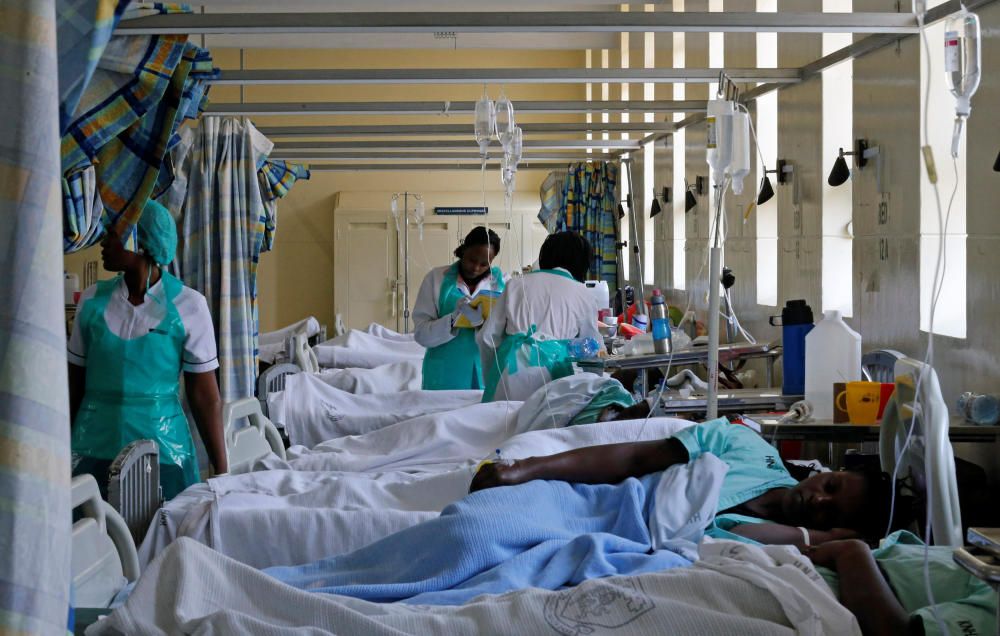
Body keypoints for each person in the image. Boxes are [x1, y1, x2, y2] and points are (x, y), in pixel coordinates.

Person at [472, 417, 902, 548]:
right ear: (829, 471)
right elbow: (636, 457)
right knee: (476, 525)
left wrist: (819, 539)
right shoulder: (748, 447)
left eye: (833, 512)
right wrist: (526, 469)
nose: (819, 500)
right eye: (832, 487)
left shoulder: (785, 546)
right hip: (605, 505)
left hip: (627, 550)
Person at [68, 198, 227, 500]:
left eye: (113, 234)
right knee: (92, 540)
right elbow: (72, 387)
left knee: (163, 536)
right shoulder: (91, 302)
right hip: (91, 449)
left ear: (138, 242)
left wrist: (221, 472)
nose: (104, 241)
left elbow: (205, 397)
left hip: (164, 453)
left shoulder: (189, 306)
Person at [477, 231, 602, 402]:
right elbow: (593, 348)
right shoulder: (584, 295)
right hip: (556, 380)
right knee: (547, 425)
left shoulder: (515, 284)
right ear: (582, 264)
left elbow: (486, 338)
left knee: (503, 425)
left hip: (510, 375)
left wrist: (492, 377)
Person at [413, 226, 504, 390]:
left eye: (484, 264)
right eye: (471, 259)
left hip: (487, 375)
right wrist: (453, 320)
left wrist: (485, 327)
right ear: (463, 250)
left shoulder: (502, 284)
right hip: (444, 376)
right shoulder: (436, 279)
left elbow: (510, 335)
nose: (476, 268)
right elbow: (421, 335)